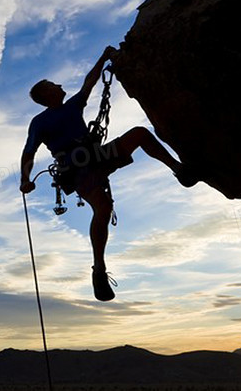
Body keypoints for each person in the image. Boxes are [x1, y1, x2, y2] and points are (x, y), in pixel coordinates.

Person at [19, 45, 198, 301]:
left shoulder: (71, 106)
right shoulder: (40, 122)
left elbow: (89, 84)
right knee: (102, 208)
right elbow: (29, 152)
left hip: (94, 156)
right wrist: (25, 179)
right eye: (53, 84)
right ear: (46, 94)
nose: (59, 85)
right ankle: (99, 269)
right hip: (76, 167)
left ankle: (179, 170)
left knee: (139, 134)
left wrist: (103, 58)